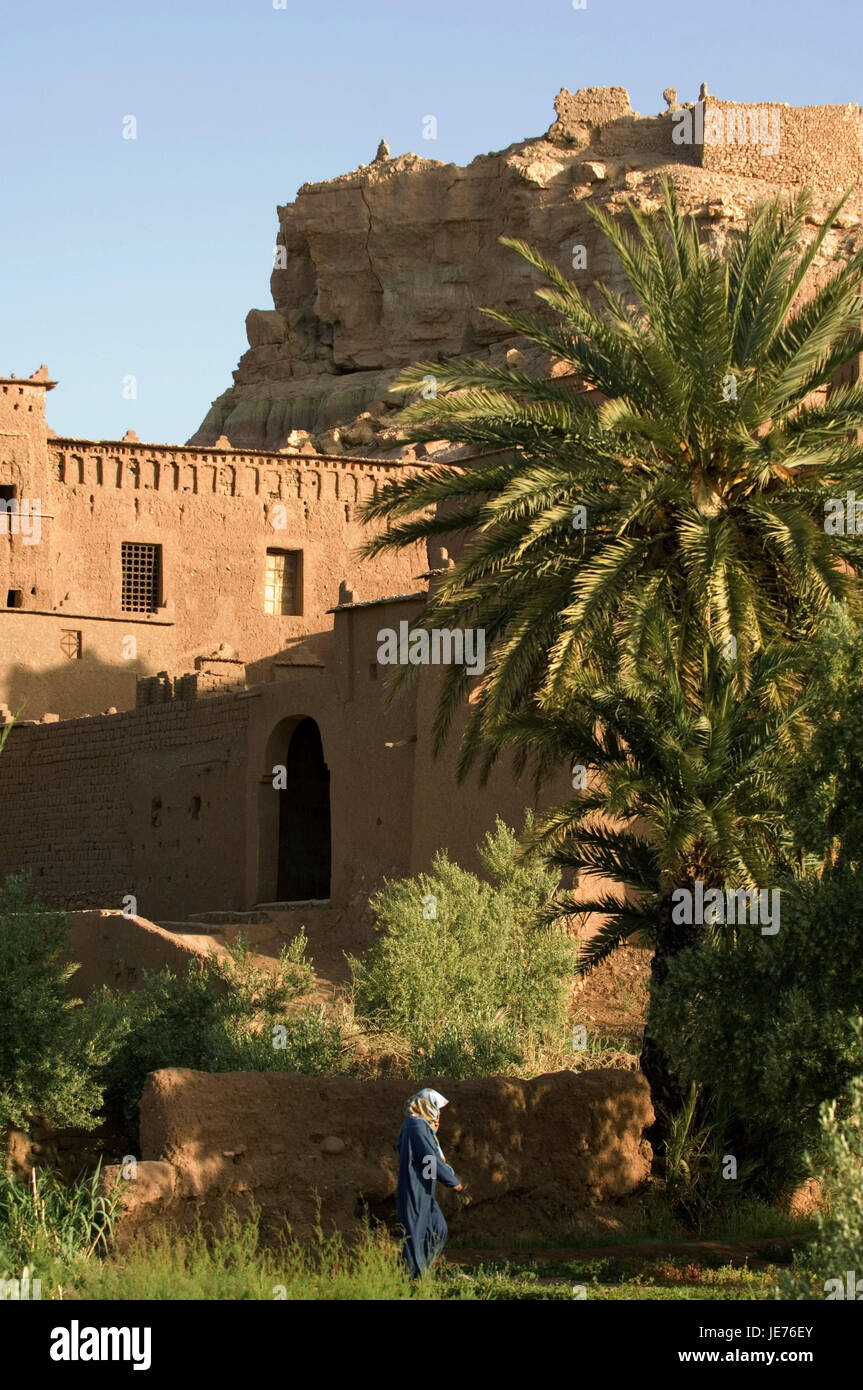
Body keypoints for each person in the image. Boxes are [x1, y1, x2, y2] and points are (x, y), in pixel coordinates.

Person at [396, 1087, 463, 1278]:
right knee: (416, 1234)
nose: (438, 1114)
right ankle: (415, 1279)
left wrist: (431, 1177)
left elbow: (420, 1156)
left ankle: (421, 1271)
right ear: (427, 1106)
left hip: (422, 1188)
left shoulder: (418, 1126)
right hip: (414, 1188)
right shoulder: (416, 1127)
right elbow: (429, 1158)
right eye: (436, 1108)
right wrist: (451, 1181)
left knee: (437, 1228)